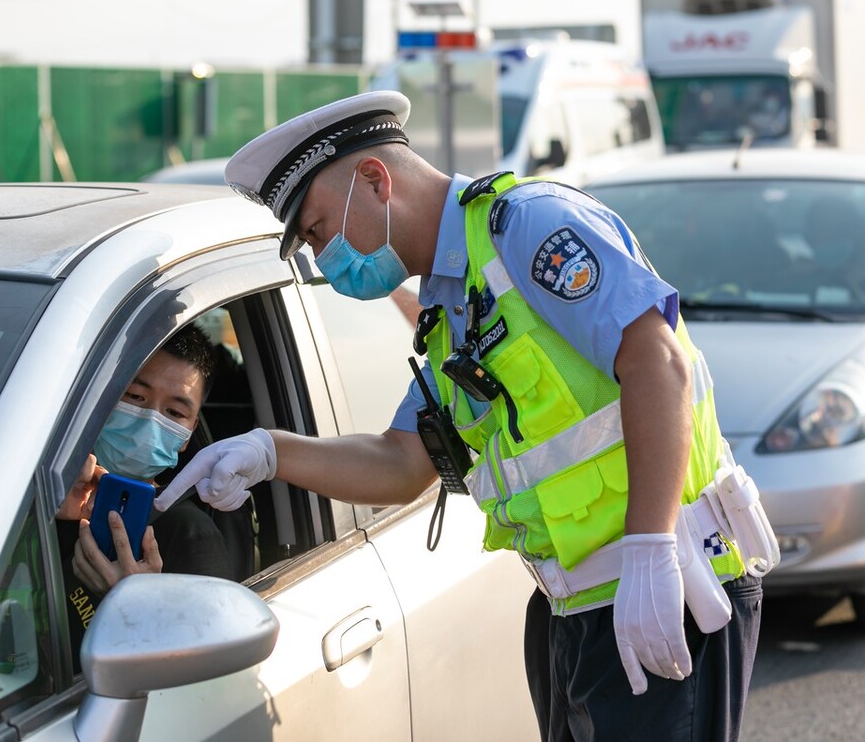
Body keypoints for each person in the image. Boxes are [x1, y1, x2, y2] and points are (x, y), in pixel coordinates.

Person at [158, 91, 777, 741]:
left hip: (666, 585)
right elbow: (401, 462)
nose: (322, 259)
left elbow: (657, 363)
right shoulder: (449, 314)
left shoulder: (528, 228)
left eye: (317, 231)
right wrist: (270, 451)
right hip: (573, 610)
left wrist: (652, 550)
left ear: (373, 180)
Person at [56, 324, 233, 656]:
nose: (149, 420)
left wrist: (135, 604)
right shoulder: (38, 490)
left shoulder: (190, 535)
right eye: (135, 396)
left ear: (189, 433)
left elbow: (208, 673)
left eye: (174, 412)